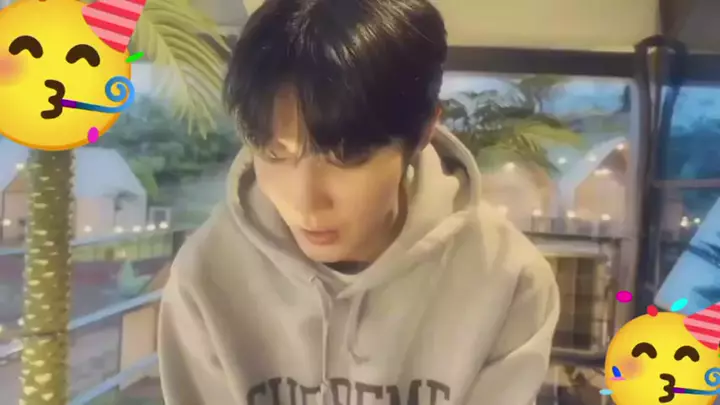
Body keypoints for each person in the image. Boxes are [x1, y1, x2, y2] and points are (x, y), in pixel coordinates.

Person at [158, 0, 560, 404]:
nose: (306, 203)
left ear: (423, 132)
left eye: (347, 158)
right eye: (274, 153)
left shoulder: (508, 280)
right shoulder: (207, 275)